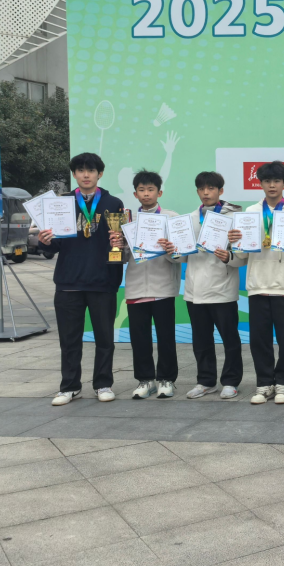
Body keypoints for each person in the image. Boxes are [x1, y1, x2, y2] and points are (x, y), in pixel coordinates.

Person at [40, 153, 126, 406]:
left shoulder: (114, 203)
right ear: (74, 174)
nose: (85, 175)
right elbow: (53, 246)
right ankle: (69, 386)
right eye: (80, 170)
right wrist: (44, 241)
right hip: (68, 282)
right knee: (69, 340)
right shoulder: (62, 203)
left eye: (91, 170)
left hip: (103, 282)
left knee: (104, 339)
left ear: (100, 174)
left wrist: (120, 242)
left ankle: (103, 384)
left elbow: (119, 245)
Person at [228, 160, 284, 405]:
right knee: (260, 339)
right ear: (260, 184)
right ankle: (264, 383)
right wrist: (235, 241)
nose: (272, 185)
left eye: (277, 181)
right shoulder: (250, 212)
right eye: (267, 181)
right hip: (258, 284)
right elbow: (241, 254)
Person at [161, 171, 244, 400]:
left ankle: (231, 381)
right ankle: (206, 381)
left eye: (211, 188)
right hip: (195, 291)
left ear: (220, 191)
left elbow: (242, 256)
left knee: (230, 339)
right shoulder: (188, 219)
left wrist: (229, 257)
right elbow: (181, 258)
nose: (206, 193)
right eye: (201, 189)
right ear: (197, 191)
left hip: (223, 290)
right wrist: (171, 252)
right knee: (201, 340)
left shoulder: (234, 218)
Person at [122, 170, 181, 399]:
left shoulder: (172, 218)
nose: (146, 194)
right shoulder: (127, 221)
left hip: (163, 288)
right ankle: (145, 380)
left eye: (150, 189)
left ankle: (167, 379)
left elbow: (180, 257)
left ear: (159, 192)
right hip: (136, 287)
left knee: (166, 336)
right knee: (139, 338)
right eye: (141, 190)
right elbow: (123, 258)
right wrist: (119, 245)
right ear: (135, 194)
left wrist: (170, 250)